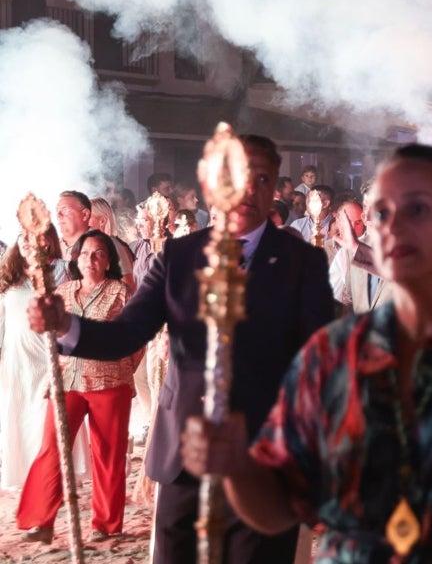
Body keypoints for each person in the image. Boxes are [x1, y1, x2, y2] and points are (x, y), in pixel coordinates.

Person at [180, 143, 432, 562]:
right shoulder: (333, 352)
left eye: (416, 210)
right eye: (381, 213)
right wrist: (235, 465)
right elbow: (278, 511)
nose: (393, 226)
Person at [28, 133, 334, 564]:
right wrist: (66, 326)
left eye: (262, 179)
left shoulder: (302, 261)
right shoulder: (179, 255)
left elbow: (317, 362)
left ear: (272, 187)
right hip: (183, 455)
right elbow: (127, 332)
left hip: (263, 459)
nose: (248, 190)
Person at [18, 230, 140, 543]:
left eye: (99, 253)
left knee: (108, 455)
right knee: (52, 448)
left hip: (109, 383)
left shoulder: (120, 293)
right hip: (67, 381)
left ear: (109, 260)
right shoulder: (64, 292)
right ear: (77, 258)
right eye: (85, 253)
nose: (91, 260)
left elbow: (136, 340)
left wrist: (126, 371)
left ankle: (106, 525)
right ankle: (40, 521)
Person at [0, 225, 82, 493]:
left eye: (33, 237)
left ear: (47, 241)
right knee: (21, 415)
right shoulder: (8, 275)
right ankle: (25, 476)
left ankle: (50, 478)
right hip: (16, 359)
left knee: (44, 417)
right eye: (22, 237)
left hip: (49, 356)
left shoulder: (61, 270)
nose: (26, 242)